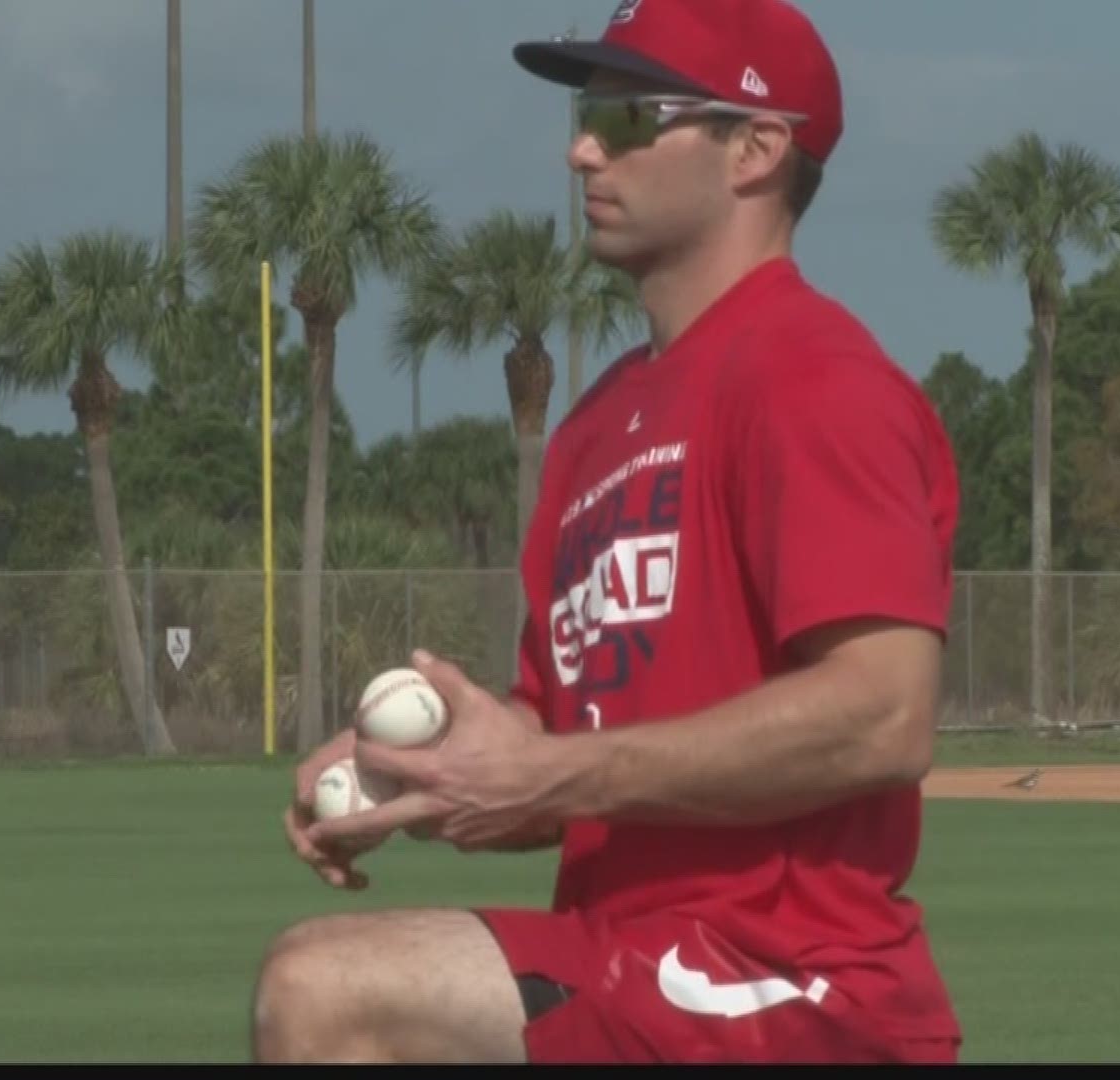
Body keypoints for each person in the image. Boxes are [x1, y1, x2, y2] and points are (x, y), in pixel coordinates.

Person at [253, 0, 965, 1064]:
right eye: (591, 112)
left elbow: (883, 713)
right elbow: (557, 745)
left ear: (757, 149)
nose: (583, 146)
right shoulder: (597, 426)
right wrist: (429, 775)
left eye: (632, 118)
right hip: (629, 958)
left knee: (322, 991)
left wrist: (544, 777)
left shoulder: (815, 380)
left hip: (783, 978)